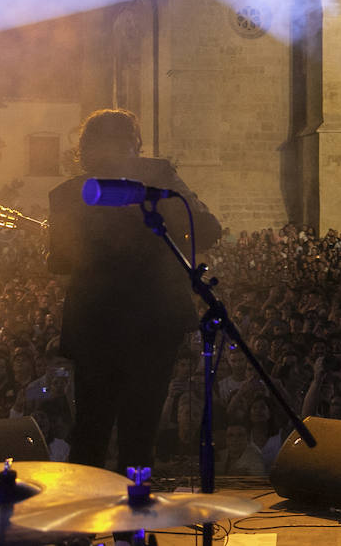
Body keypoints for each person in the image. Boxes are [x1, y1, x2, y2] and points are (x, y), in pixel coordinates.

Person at [48, 108, 221, 471]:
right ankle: (136, 521)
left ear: (85, 149)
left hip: (95, 325)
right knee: (139, 434)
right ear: (135, 146)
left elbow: (62, 265)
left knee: (91, 431)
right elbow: (207, 228)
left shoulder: (67, 195)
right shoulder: (158, 177)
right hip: (153, 324)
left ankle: (84, 521)